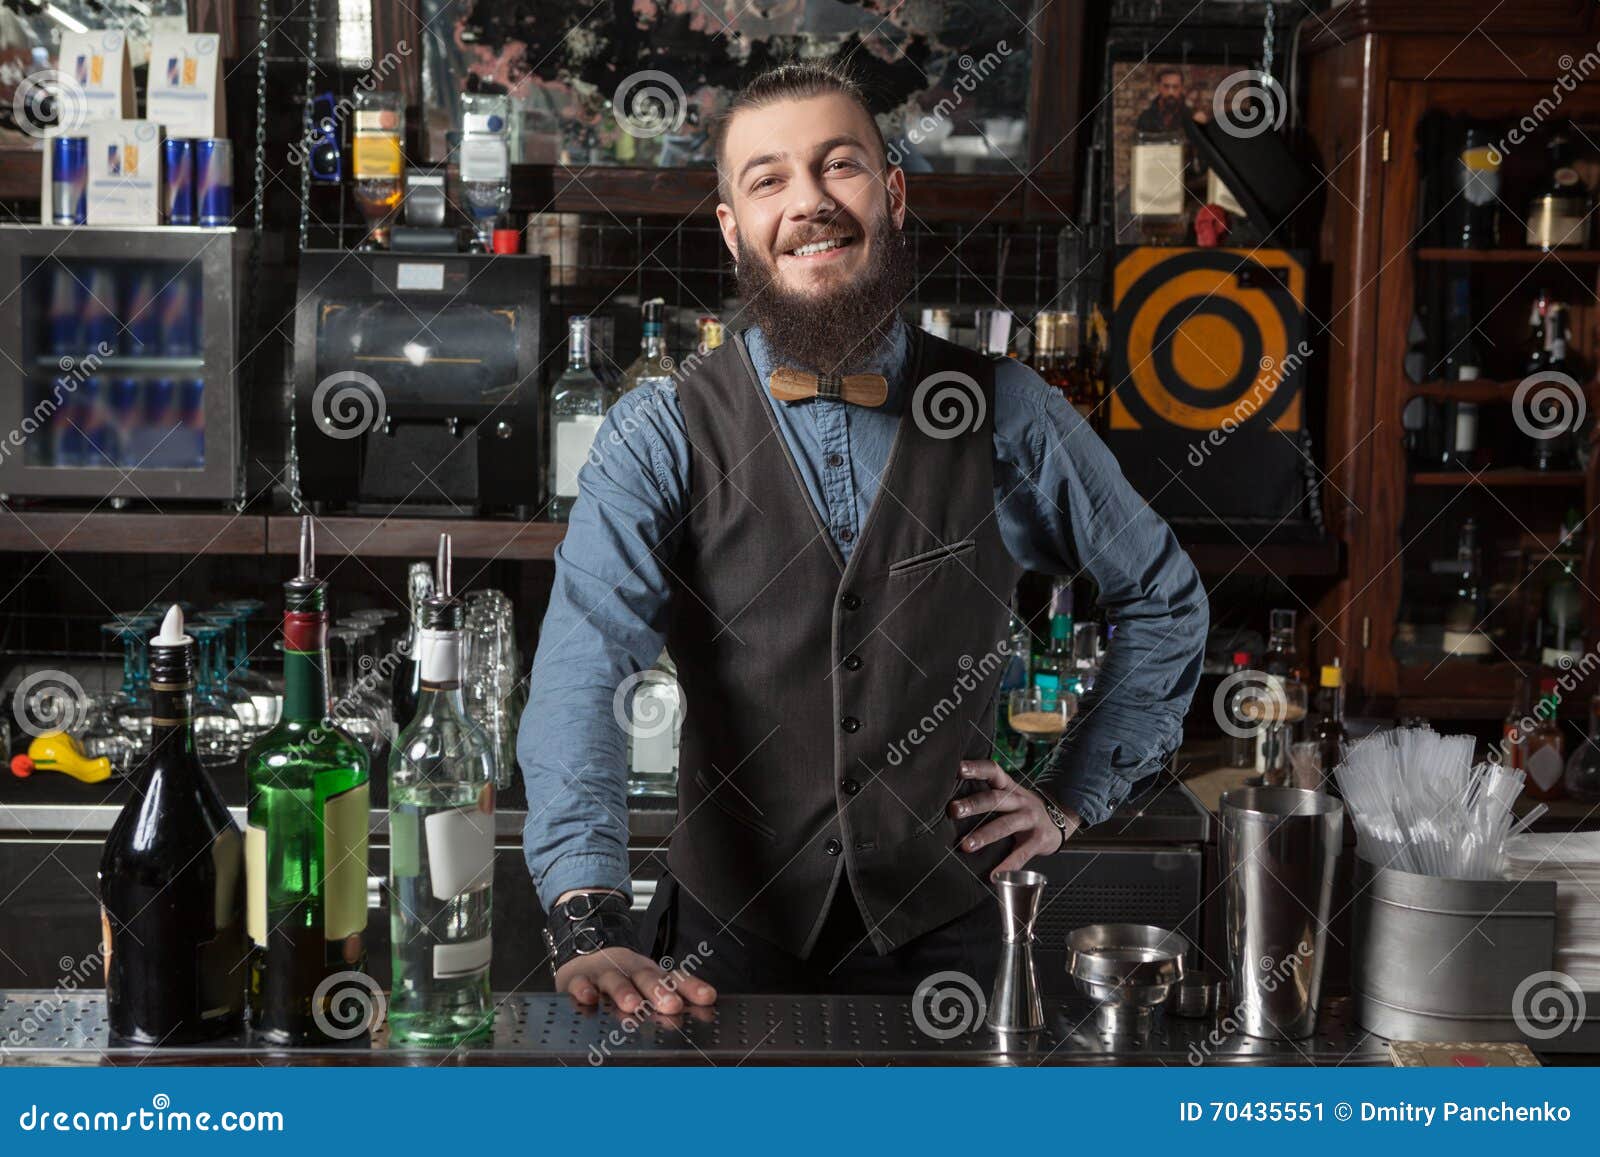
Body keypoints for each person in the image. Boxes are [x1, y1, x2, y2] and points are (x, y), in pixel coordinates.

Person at [517, 62, 1207, 1014]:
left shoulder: (1008, 411)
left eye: (838, 166)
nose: (808, 201)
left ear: (890, 195)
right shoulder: (660, 431)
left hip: (954, 936)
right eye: (767, 179)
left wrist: (1070, 793)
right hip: (724, 945)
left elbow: (1165, 598)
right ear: (733, 228)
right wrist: (588, 915)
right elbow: (583, 666)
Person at [1135, 66, 1188, 134]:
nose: (1170, 92)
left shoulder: (1190, 117)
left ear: (1181, 88)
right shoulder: (1146, 118)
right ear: (1158, 86)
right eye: (1166, 86)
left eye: (1175, 87)